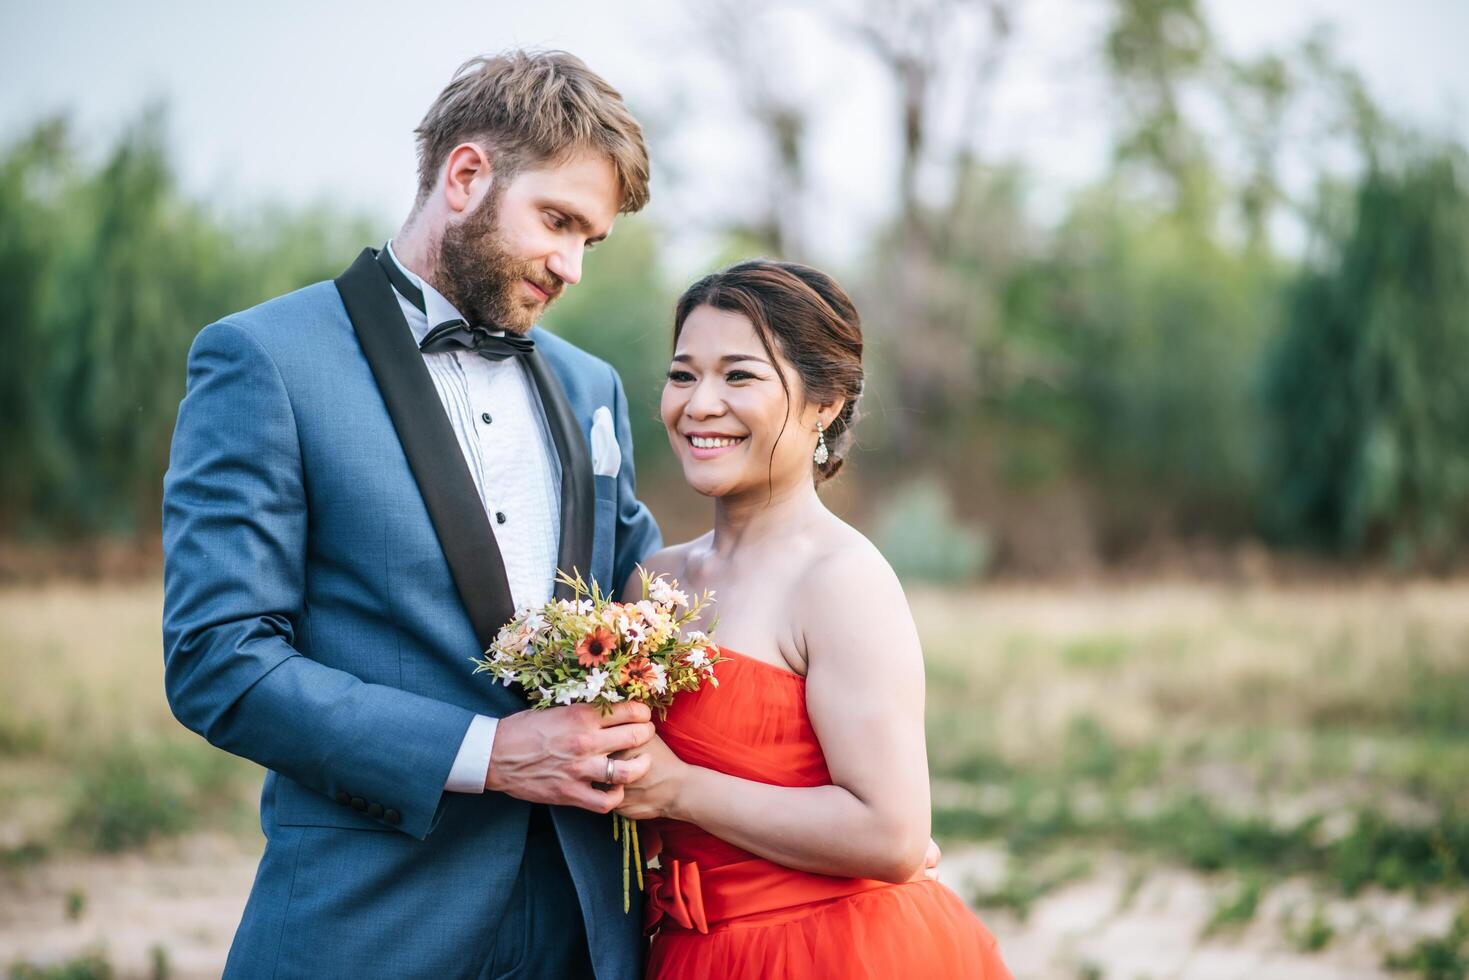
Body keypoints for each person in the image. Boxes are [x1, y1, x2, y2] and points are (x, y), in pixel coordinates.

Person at [162, 51, 663, 979]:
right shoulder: (263, 360)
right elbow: (217, 661)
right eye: (557, 222)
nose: (571, 268)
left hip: (587, 927)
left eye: (590, 242)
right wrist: (492, 753)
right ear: (466, 175)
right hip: (372, 920)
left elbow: (659, 596)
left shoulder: (591, 386)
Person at [616, 261, 1012, 978]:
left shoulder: (840, 581)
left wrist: (679, 789)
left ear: (823, 402)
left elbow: (891, 834)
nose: (699, 404)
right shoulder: (654, 580)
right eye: (683, 375)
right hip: (687, 955)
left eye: (739, 376)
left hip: (830, 952)